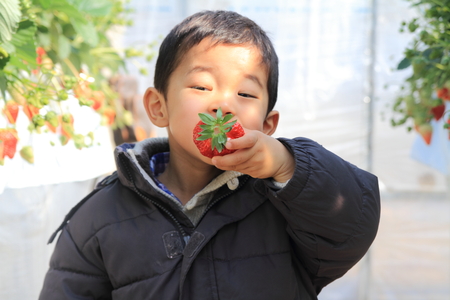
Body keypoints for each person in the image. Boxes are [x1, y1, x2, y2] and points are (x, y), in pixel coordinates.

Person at [39, 10, 380, 300]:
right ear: (159, 107)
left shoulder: (285, 205)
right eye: (202, 86)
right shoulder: (100, 214)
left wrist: (288, 163)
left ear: (267, 123)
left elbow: (353, 228)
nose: (224, 104)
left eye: (246, 92)